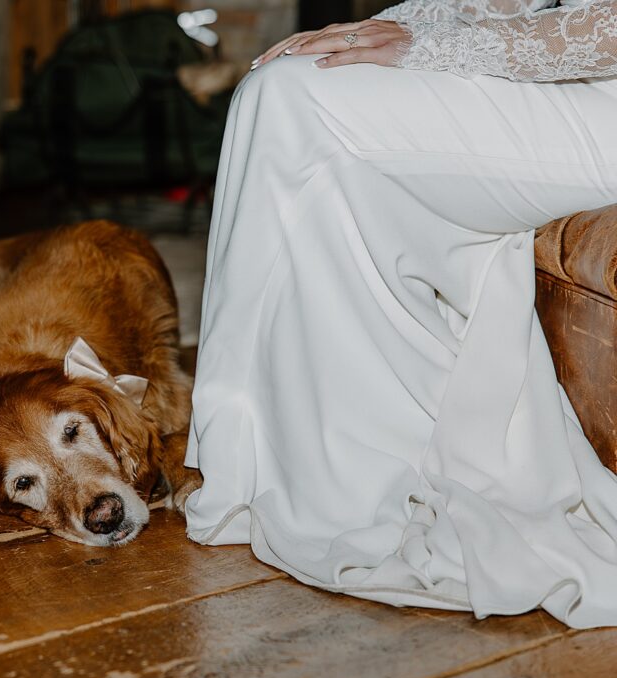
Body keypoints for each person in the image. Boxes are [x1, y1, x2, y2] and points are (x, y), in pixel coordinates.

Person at [184, 0, 617, 629]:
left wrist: (426, 45)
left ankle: (310, 478)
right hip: (572, 79)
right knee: (282, 86)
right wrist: (379, 31)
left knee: (299, 102)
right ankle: (322, 464)